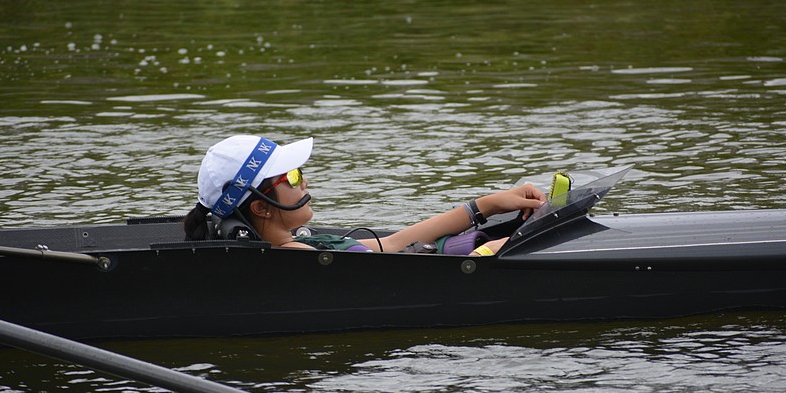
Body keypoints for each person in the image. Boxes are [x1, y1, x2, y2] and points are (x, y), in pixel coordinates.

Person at [184, 135, 547, 256]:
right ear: (262, 207)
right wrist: (488, 252)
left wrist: (486, 204)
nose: (304, 182)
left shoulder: (301, 247)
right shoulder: (297, 258)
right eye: (292, 176)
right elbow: (400, 280)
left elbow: (392, 244)